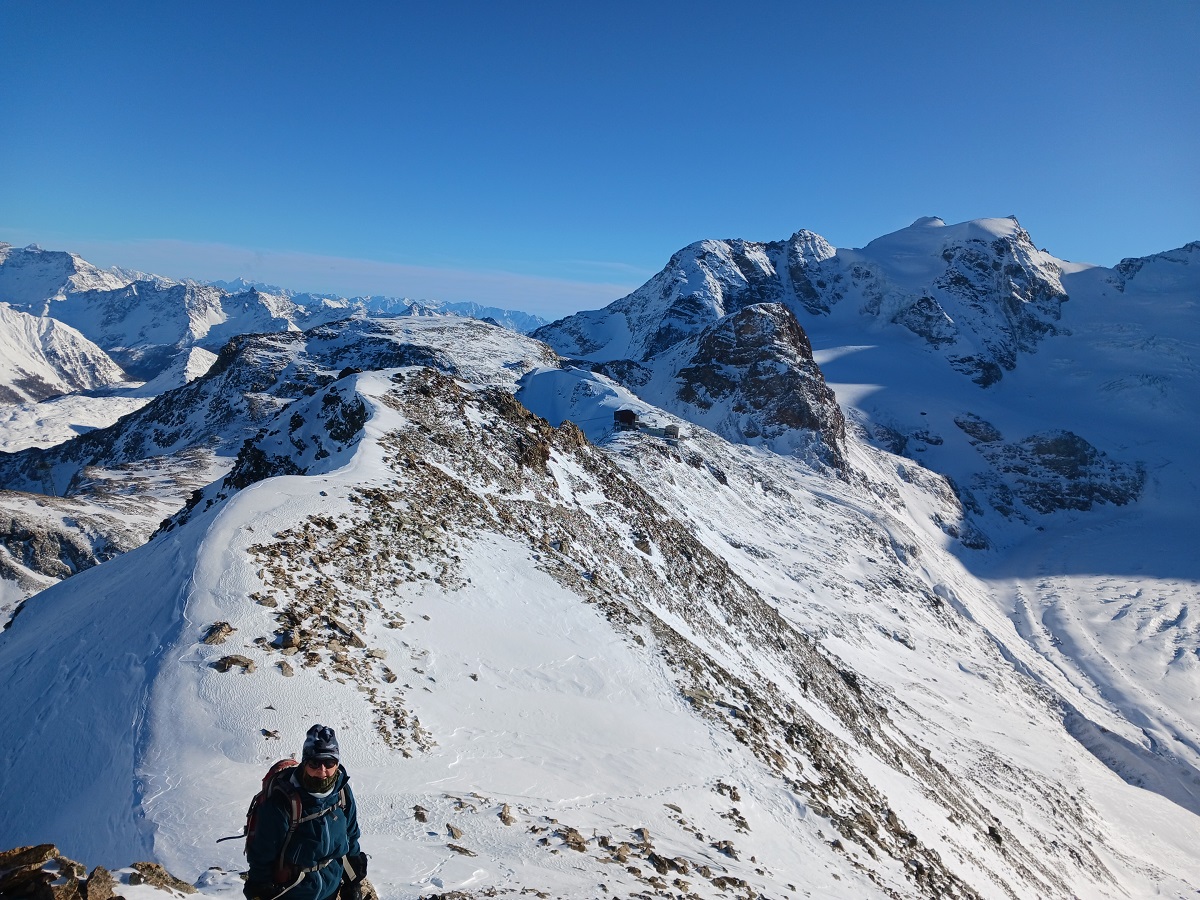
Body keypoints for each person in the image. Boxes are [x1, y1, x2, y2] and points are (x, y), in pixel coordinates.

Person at [244, 724, 366, 900]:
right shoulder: (283, 803)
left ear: (337, 763)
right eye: (315, 762)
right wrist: (260, 889)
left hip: (331, 888)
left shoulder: (342, 793)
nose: (322, 770)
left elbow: (351, 836)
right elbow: (262, 856)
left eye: (329, 762)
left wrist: (353, 881)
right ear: (305, 762)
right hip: (293, 892)